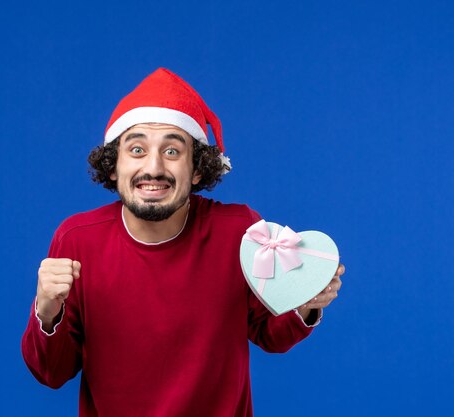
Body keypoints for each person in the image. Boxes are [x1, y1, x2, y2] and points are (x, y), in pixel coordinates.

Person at [21, 68, 344, 417]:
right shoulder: (77, 239)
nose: (154, 167)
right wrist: (47, 312)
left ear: (198, 169)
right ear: (114, 166)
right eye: (137, 149)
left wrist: (305, 303)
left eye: (172, 151)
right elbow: (52, 373)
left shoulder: (239, 230)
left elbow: (271, 335)